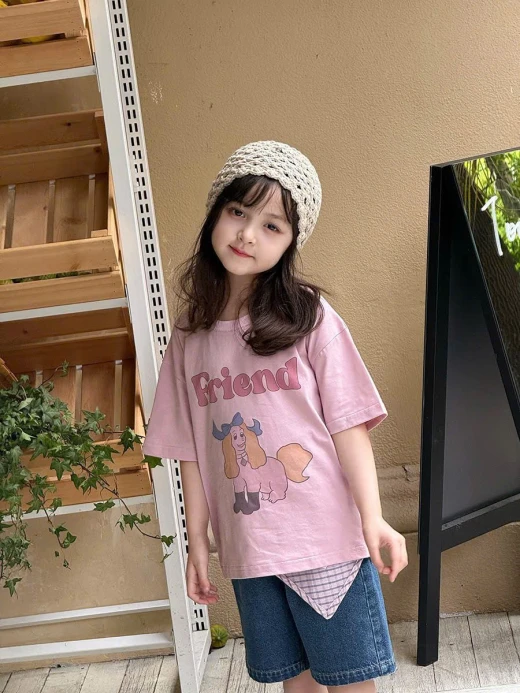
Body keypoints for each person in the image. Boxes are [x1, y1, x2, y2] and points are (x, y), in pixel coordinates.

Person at [142, 141, 408, 692]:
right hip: (250, 550)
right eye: (237, 212)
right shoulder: (190, 335)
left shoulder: (309, 317)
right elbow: (190, 451)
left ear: (290, 242)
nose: (247, 235)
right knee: (294, 681)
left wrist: (374, 518)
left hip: (325, 542)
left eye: (271, 226)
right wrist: (197, 542)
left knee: (352, 681)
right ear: (216, 213)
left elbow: (349, 422)